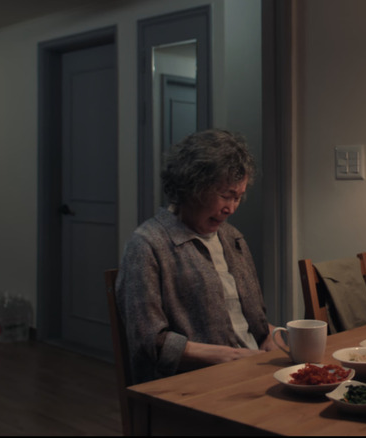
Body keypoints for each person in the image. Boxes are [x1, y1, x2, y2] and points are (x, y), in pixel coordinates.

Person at [116, 129, 285, 384]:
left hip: (251, 370)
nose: (230, 208)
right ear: (191, 187)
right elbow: (149, 342)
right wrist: (229, 357)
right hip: (196, 384)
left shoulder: (232, 238)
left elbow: (252, 324)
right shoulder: (148, 245)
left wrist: (272, 336)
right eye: (225, 195)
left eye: (238, 197)